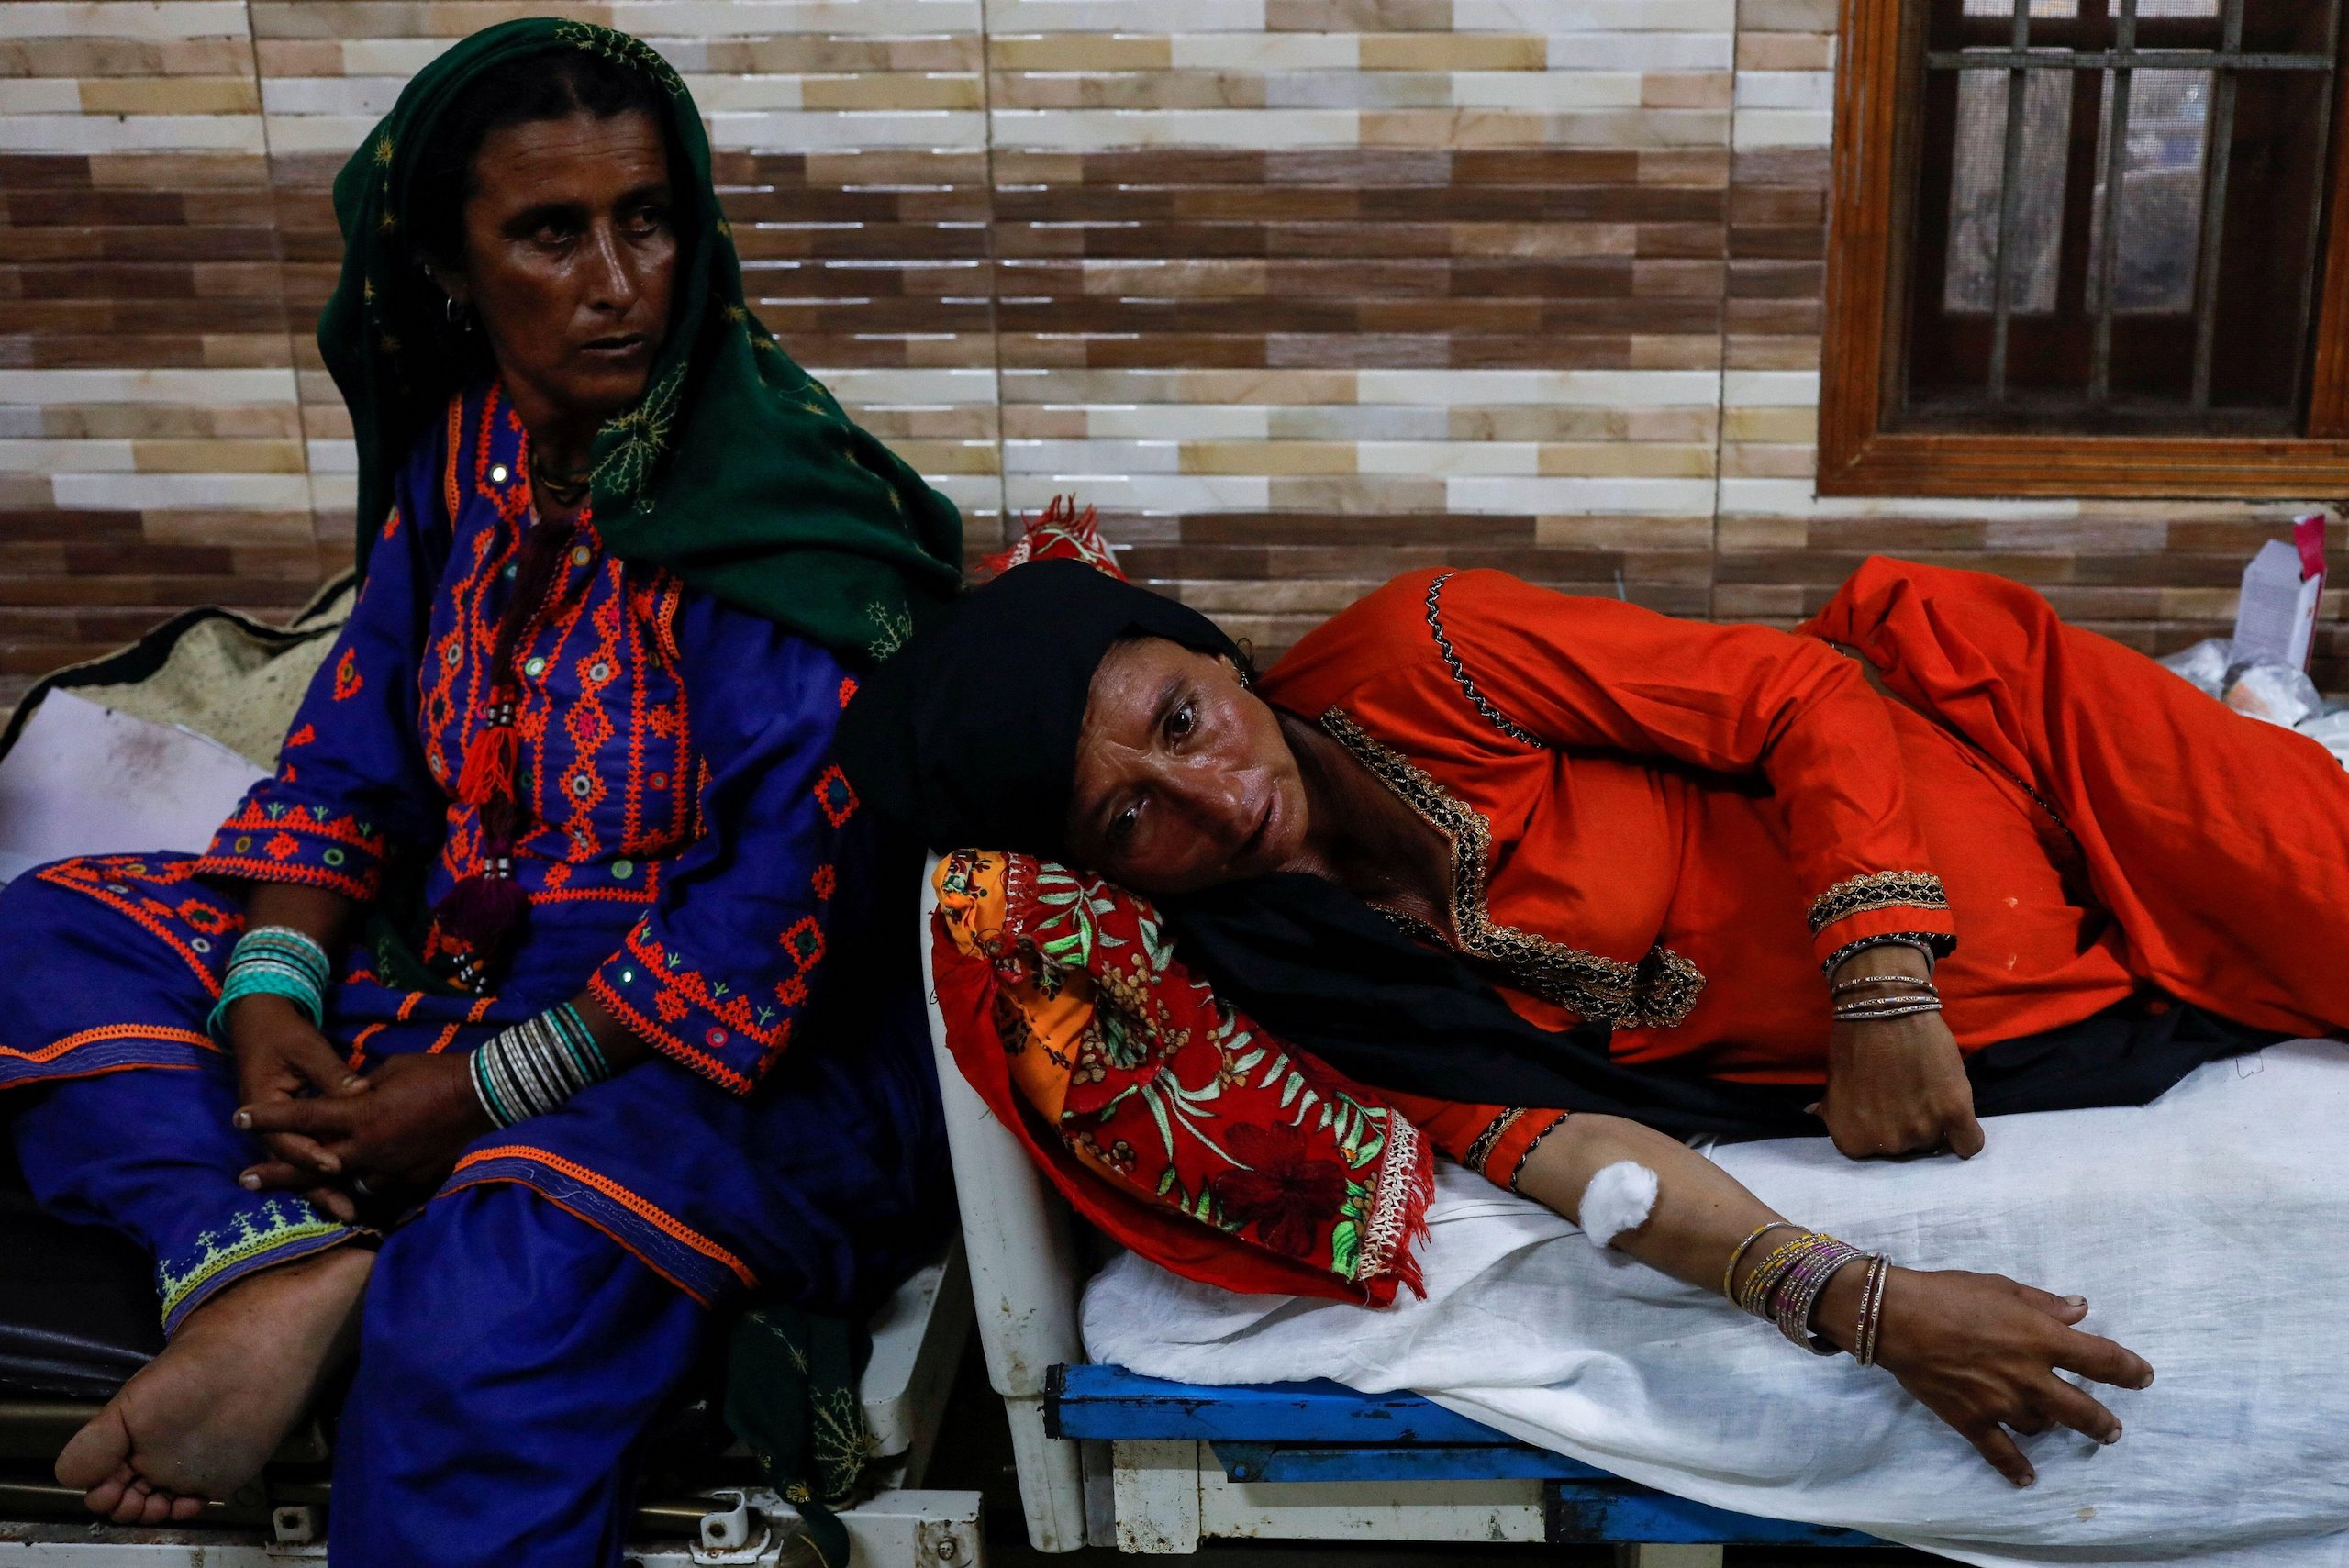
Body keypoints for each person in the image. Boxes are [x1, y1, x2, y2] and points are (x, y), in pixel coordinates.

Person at [0, 20, 960, 1562]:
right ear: (452, 265)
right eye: (549, 232)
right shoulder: (469, 463)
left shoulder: (777, 513)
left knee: (483, 1302)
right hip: (452, 967)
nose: (616, 278)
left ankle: (390, 1263)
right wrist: (268, 1001)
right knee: (47, 927)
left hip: (717, 1054)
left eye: (646, 219)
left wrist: (460, 1102)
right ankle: (266, 1270)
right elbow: (348, 759)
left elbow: (771, 919)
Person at [837, 553, 2349, 1489]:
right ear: (1102, 871)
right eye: (1133, 814)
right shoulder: (1304, 990)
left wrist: (1880, 984)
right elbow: (1588, 1159)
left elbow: (1796, 693)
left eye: (1183, 718)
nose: (1218, 796)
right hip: (2061, 1010)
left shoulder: (1423, 652)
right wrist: (1869, 1307)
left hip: (2028, 758)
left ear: (1215, 652)